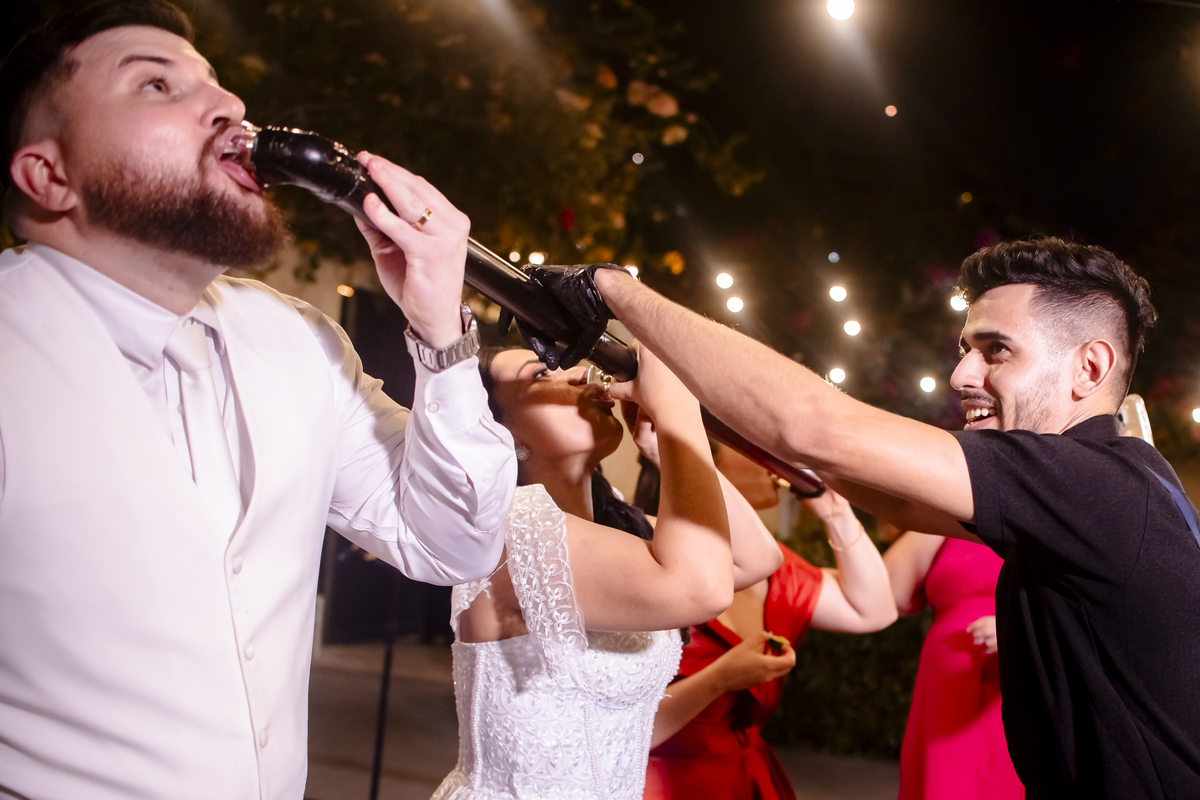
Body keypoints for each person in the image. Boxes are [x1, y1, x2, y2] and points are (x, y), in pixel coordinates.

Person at [0, 3, 516, 799]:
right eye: (156, 84)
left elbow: (453, 543)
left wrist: (441, 330)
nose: (232, 107)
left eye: (216, 82)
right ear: (49, 175)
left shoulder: (295, 338)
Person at [523, 237, 1200, 798]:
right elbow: (894, 494)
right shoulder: (1107, 483)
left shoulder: (1095, 483)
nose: (963, 375)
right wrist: (682, 425)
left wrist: (609, 290)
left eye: (997, 350)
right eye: (966, 348)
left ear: (1090, 367)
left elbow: (815, 425)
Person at [430, 346, 783, 800]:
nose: (580, 373)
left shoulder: (614, 528)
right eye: (542, 374)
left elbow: (754, 559)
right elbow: (704, 587)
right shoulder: (510, 530)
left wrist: (661, 445)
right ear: (502, 433)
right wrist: (678, 409)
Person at [645, 485, 897, 800]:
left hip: (748, 778)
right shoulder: (644, 555)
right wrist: (720, 677)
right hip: (662, 783)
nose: (770, 462)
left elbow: (873, 610)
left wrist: (837, 513)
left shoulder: (772, 568)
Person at [884, 531, 1023, 800]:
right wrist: (935, 511)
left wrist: (1019, 630)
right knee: (942, 782)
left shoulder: (1040, 515)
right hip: (944, 685)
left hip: (1015, 680)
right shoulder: (943, 522)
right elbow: (889, 594)